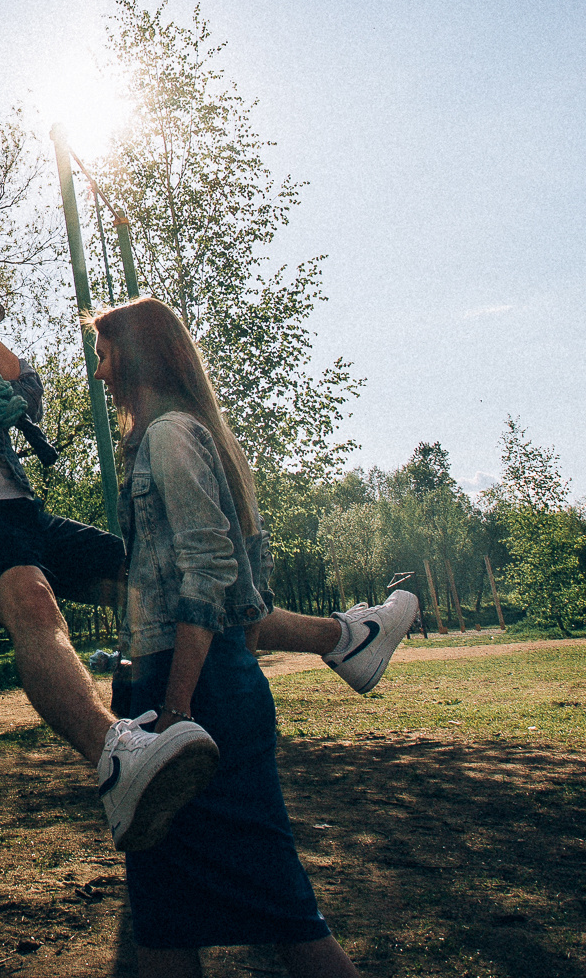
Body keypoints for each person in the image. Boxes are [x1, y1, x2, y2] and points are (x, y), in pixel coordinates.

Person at [0, 240, 414, 852]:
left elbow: (21, 385)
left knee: (170, 587)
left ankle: (344, 640)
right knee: (33, 601)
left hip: (19, 511)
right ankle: (114, 756)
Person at [94, 296, 361, 978]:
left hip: (197, 690)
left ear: (133, 356)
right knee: (161, 912)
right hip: (173, 684)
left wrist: (179, 709)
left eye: (103, 353)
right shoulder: (169, 436)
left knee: (282, 909)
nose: (99, 372)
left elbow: (208, 573)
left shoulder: (171, 437)